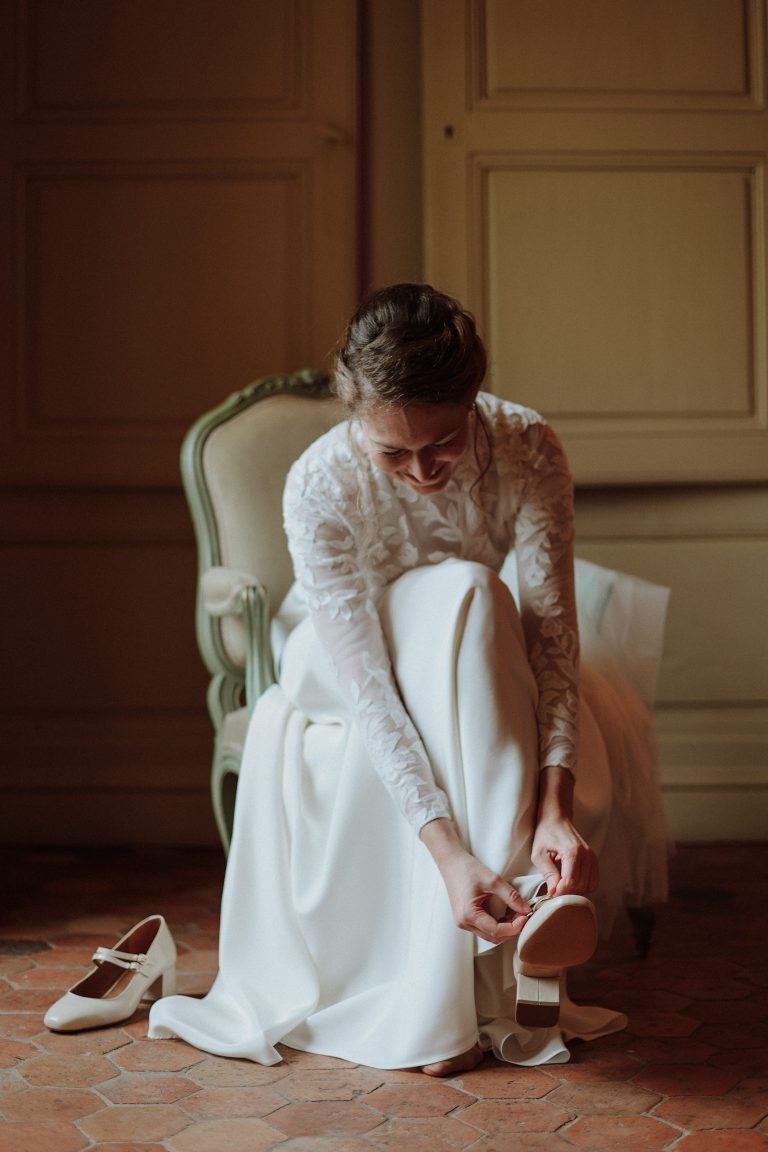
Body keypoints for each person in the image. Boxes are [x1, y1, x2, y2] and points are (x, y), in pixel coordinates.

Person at [149, 283, 669, 1073]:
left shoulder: (528, 445)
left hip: (472, 653)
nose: (423, 473)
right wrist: (447, 851)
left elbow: (554, 635)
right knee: (467, 590)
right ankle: (498, 946)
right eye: (394, 452)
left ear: (473, 405)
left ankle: (501, 942)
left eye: (444, 444)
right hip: (337, 663)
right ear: (354, 413)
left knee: (477, 605)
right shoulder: (317, 483)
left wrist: (556, 809)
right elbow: (369, 691)